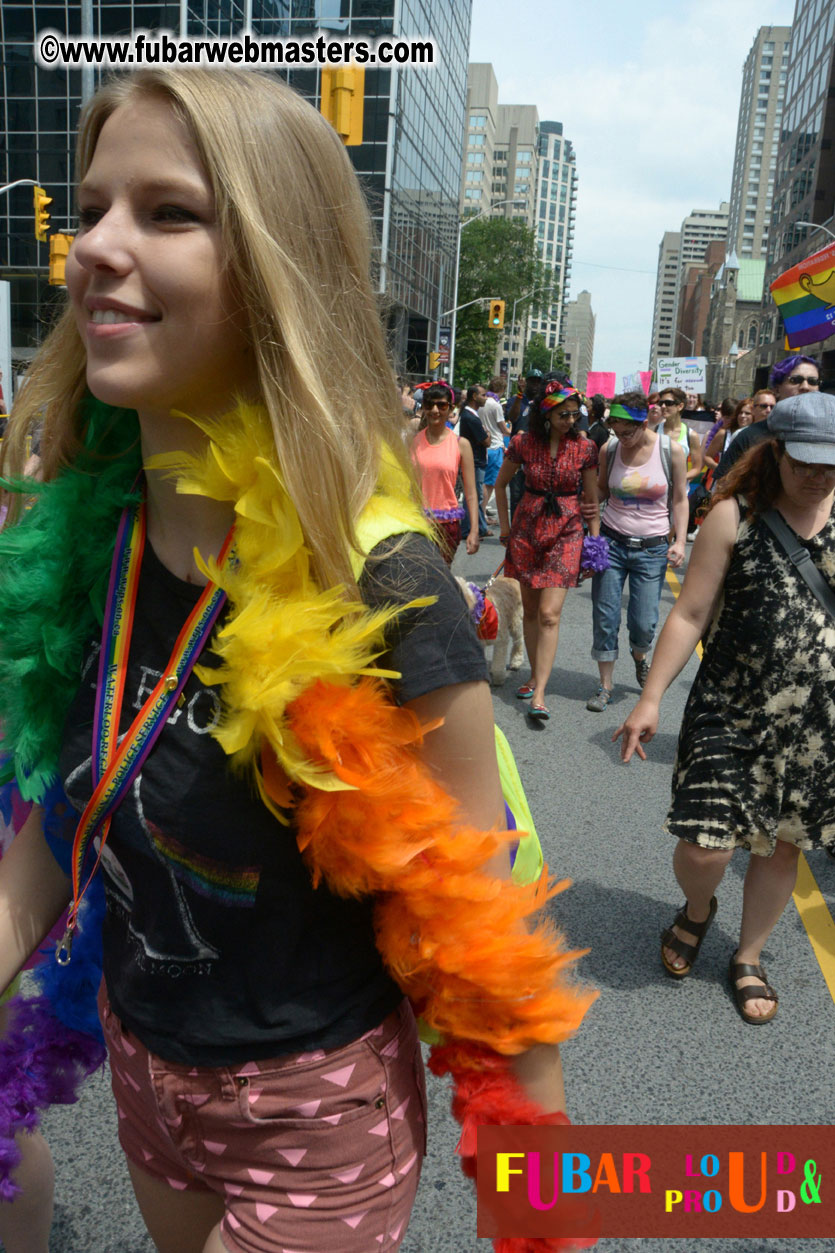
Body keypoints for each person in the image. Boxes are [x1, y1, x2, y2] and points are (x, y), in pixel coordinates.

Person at [0, 69, 592, 1253]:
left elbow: (482, 937)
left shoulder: (378, 583)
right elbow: (59, 822)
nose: (95, 245)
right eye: (93, 204)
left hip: (315, 1111)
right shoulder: (81, 540)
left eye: (168, 213)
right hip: (146, 1068)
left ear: (275, 265)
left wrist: (546, 1212)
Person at [615, 391, 835, 1024]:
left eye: (831, 463)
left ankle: (749, 955)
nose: (818, 476)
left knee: (781, 847)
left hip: (816, 723)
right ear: (776, 450)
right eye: (805, 462)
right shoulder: (733, 515)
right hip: (731, 707)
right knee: (705, 847)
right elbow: (688, 613)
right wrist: (651, 697)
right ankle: (697, 908)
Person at [493, 377, 600, 721]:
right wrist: (506, 529)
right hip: (527, 529)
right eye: (564, 416)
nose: (571, 421)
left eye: (575, 415)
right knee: (531, 609)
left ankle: (540, 692)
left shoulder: (585, 449)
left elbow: (592, 500)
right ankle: (533, 676)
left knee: (550, 614)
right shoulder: (523, 443)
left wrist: (594, 542)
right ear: (546, 416)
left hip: (567, 531)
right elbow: (500, 484)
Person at [586, 392, 688, 712]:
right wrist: (586, 501)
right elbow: (602, 487)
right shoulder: (611, 449)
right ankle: (604, 685)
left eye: (626, 430)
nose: (621, 437)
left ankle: (639, 655)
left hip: (653, 547)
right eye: (615, 429)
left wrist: (681, 540)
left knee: (643, 623)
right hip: (612, 542)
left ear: (643, 423)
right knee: (605, 616)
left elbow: (680, 499)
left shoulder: (670, 452)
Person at [714, 355, 820, 484]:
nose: (805, 386)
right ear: (776, 389)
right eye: (795, 380)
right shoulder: (748, 436)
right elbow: (722, 488)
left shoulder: (828, 435)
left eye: (813, 381)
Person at [410, 382, 479, 564]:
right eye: (429, 405)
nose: (435, 410)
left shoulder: (461, 444)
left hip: (447, 526)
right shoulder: (412, 442)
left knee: (440, 579)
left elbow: (471, 493)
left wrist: (474, 530)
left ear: (451, 408)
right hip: (416, 524)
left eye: (441, 405)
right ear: (423, 408)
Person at [505, 369, 544, 519]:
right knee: (515, 495)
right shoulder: (516, 400)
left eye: (538, 382)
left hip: (536, 455)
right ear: (526, 382)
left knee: (533, 495)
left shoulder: (543, 403)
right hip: (517, 455)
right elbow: (512, 417)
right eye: (532, 381)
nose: (534, 385)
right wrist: (520, 396)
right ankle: (514, 529)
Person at [457, 383, 491, 539]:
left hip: (477, 460)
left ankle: (480, 527)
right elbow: (485, 441)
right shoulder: (470, 417)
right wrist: (487, 435)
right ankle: (467, 529)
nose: (485, 398)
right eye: (483, 395)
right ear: (474, 396)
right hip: (474, 461)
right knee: (473, 496)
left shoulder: (471, 415)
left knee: (477, 495)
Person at [479, 378, 511, 519]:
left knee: (481, 482)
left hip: (483, 445)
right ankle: (482, 513)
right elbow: (503, 428)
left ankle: (481, 512)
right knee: (490, 483)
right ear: (502, 389)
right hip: (495, 445)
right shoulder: (496, 405)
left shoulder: (481, 403)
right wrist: (511, 429)